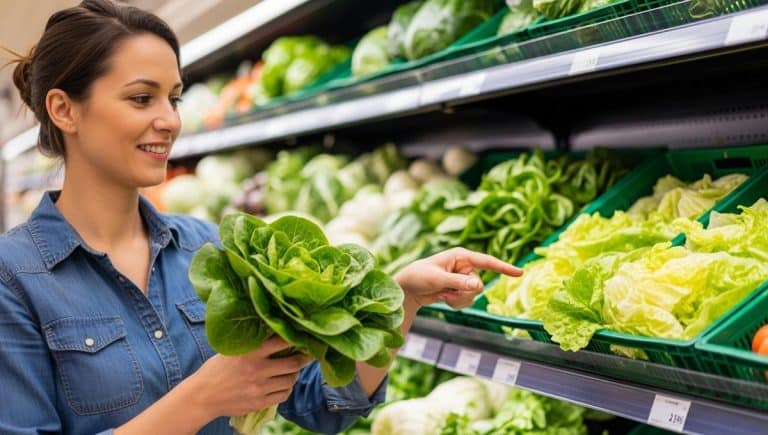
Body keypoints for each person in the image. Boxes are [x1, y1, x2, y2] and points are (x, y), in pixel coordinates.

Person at [0, 1, 522, 434]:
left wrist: (400, 301)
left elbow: (322, 402)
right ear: (65, 109)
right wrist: (202, 399)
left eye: (175, 98)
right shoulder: (14, 278)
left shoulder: (210, 249)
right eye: (142, 98)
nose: (169, 120)